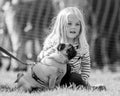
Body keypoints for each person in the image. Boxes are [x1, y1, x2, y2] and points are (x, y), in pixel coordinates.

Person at [37, 6, 91, 89]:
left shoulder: (82, 45)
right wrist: (49, 52)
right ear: (61, 25)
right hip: (51, 76)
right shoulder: (53, 41)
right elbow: (40, 58)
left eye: (77, 24)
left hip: (69, 77)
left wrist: (83, 80)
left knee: (74, 76)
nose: (73, 27)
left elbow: (86, 65)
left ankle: (82, 86)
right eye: (69, 23)